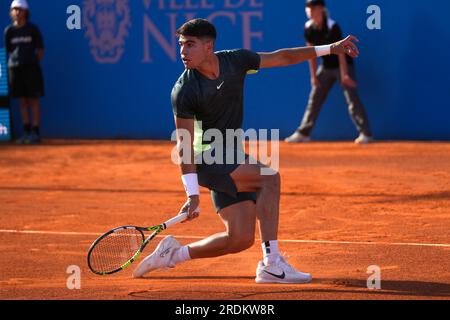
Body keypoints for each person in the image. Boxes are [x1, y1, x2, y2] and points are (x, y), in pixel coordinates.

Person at [133, 18, 360, 283]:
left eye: (190, 45)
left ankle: (172, 255)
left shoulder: (235, 62)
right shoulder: (184, 90)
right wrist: (192, 194)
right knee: (269, 177)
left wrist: (330, 48)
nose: (182, 51)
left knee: (239, 238)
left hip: (232, 155)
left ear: (209, 47)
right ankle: (272, 263)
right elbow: (183, 146)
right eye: (181, 45)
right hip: (207, 159)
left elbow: (282, 57)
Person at [285, 0, 373, 144]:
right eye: (307, 8)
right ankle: (304, 133)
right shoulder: (308, 28)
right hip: (325, 67)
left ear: (320, 9)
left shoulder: (333, 27)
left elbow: (341, 53)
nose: (309, 11)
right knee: (314, 99)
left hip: (342, 66)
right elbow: (310, 53)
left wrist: (344, 75)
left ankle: (366, 134)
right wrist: (313, 75)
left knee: (352, 99)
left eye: (312, 8)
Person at [4, 0, 44, 144]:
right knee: (22, 101)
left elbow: (40, 50)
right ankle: (26, 132)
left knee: (33, 99)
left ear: (26, 12)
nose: (17, 12)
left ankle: (35, 133)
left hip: (31, 69)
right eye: (14, 9)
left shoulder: (32, 29)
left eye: (19, 9)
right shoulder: (9, 31)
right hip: (14, 68)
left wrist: (32, 63)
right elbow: (9, 50)